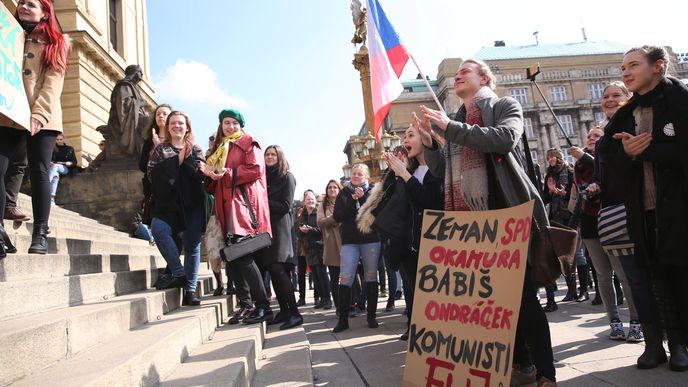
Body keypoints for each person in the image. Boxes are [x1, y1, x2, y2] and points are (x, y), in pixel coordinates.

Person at [417, 59, 557, 386]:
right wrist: (429, 143)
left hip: (504, 213)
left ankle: (546, 372)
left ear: (484, 78)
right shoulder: (454, 119)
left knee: (522, 299)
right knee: (491, 303)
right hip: (468, 223)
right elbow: (441, 172)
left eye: (465, 70)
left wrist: (450, 129)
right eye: (457, 72)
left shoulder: (504, 105)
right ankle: (521, 362)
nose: (458, 75)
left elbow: (505, 138)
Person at [599, 45, 688, 372]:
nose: (625, 71)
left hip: (678, 208)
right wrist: (629, 153)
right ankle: (654, 344)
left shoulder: (680, 100)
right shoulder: (628, 112)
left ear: (658, 66)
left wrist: (649, 150)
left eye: (634, 65)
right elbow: (609, 156)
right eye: (623, 66)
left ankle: (680, 345)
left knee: (679, 273)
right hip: (642, 210)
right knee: (651, 277)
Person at [571, 83, 644, 344]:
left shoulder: (625, 130)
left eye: (616, 95)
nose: (593, 140)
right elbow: (591, 181)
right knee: (603, 274)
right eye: (605, 96)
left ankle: (637, 322)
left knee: (625, 274)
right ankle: (614, 320)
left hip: (620, 212)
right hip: (596, 217)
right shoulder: (586, 161)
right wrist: (592, 185)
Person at [0, 0, 69, 256]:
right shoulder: (7, 34)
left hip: (43, 114)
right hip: (8, 112)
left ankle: (40, 232)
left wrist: (38, 113)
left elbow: (53, 83)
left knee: (40, 170)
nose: (24, 6)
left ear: (44, 12)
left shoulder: (56, 42)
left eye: (31, 4)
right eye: (21, 3)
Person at [200, 108, 272, 325]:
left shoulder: (249, 142)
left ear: (241, 125)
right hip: (225, 206)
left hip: (242, 205)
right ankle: (246, 305)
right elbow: (213, 186)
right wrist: (210, 177)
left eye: (234, 123)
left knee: (242, 255)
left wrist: (225, 174)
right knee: (231, 257)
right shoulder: (220, 147)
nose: (230, 127)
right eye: (226, 123)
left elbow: (255, 169)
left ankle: (263, 306)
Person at [383, 125, 444, 340]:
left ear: (426, 138)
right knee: (414, 292)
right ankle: (417, 329)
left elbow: (430, 200)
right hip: (409, 243)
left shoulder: (437, 169)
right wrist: (397, 172)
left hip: (432, 243)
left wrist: (405, 174)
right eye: (404, 136)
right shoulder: (410, 169)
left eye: (410, 135)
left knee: (431, 296)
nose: (405, 140)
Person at [332, 164, 381, 332]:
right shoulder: (344, 193)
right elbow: (338, 216)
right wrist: (353, 201)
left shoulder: (373, 192)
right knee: (345, 277)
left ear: (366, 176)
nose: (356, 176)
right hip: (350, 241)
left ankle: (371, 316)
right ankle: (343, 319)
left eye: (360, 174)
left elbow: (377, 213)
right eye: (354, 174)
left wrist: (362, 199)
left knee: (371, 276)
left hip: (370, 240)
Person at [261, 145, 303, 330]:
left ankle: (295, 313)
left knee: (279, 269)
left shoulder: (287, 176)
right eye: (267, 154)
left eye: (273, 154)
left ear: (280, 157)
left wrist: (261, 201)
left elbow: (286, 205)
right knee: (272, 269)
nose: (269, 157)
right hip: (266, 228)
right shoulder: (262, 177)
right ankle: (284, 311)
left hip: (281, 228)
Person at [541, 148, 577, 312]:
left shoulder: (569, 171)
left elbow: (574, 193)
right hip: (554, 216)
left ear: (558, 157)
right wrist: (550, 191)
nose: (550, 160)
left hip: (569, 215)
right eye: (548, 157)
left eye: (552, 157)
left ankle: (575, 289)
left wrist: (562, 193)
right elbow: (545, 199)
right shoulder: (549, 175)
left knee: (575, 253)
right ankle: (570, 289)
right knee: (558, 253)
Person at [298, 190, 331, 309]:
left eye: (312, 199)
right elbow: (298, 230)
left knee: (322, 274)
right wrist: (301, 230)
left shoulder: (318, 212)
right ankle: (322, 299)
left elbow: (323, 230)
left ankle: (327, 299)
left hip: (320, 247)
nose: (310, 201)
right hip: (308, 249)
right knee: (315, 276)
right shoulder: (303, 215)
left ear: (315, 201)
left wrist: (310, 229)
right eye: (308, 199)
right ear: (304, 202)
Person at [107, 64, 149, 156]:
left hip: (135, 116)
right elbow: (124, 105)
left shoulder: (134, 87)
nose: (142, 74)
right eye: (140, 72)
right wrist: (141, 103)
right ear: (134, 73)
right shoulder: (124, 85)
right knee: (150, 122)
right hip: (126, 119)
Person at [317, 180, 343, 311]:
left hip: (346, 241)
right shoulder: (322, 206)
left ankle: (353, 304)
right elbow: (320, 222)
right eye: (330, 187)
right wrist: (335, 218)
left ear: (339, 189)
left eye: (335, 187)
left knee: (350, 275)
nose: (332, 189)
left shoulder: (345, 201)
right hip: (332, 243)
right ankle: (338, 305)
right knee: (334, 277)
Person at [48, 134, 78, 202]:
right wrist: (50, 162)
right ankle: (51, 197)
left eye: (60, 139)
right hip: (54, 168)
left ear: (63, 139)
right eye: (57, 139)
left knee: (55, 166)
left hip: (65, 168)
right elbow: (49, 159)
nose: (59, 141)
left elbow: (75, 161)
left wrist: (70, 163)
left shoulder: (69, 149)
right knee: (55, 176)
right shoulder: (53, 149)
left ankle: (46, 183)